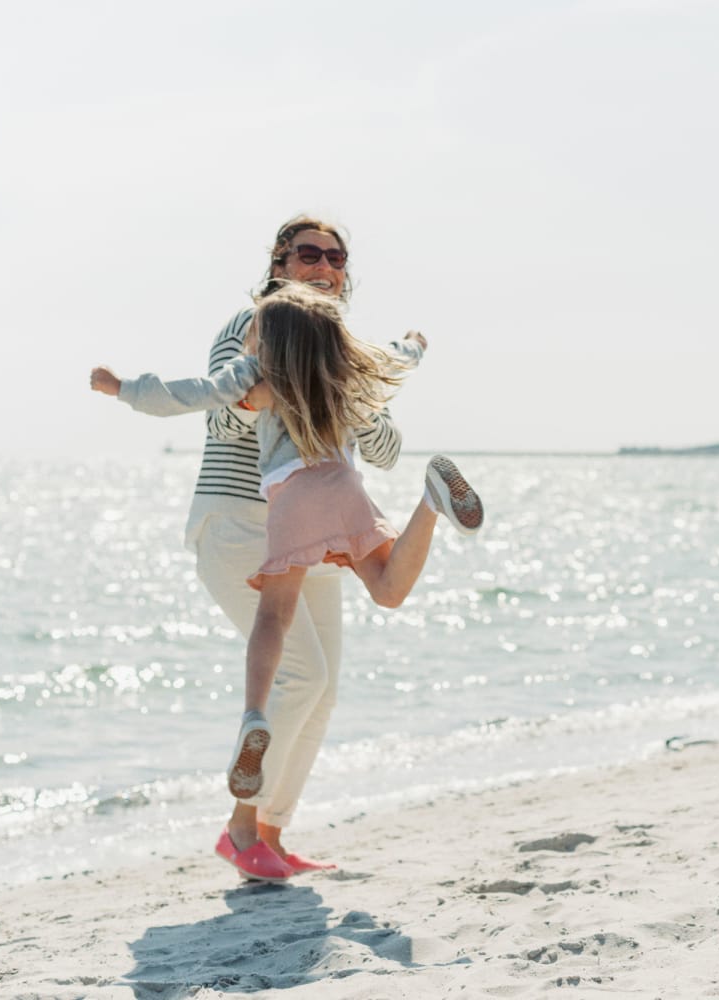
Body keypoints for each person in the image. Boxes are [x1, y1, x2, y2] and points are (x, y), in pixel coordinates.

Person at [92, 280, 483, 880]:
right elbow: (397, 359)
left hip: (294, 499)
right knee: (388, 588)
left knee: (272, 618)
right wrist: (415, 344)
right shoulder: (342, 371)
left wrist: (122, 389)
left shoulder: (259, 377)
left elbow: (190, 394)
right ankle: (430, 502)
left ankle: (254, 716)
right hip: (348, 492)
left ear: (267, 335)